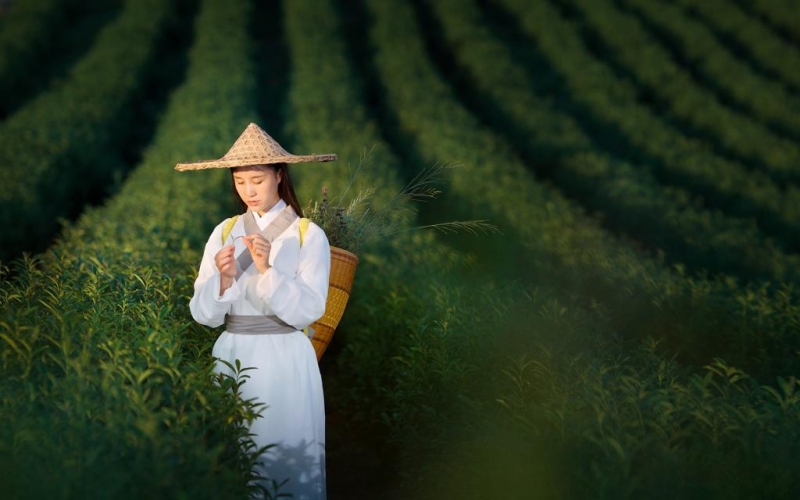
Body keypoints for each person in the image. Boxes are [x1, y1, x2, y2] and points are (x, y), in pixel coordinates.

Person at [175, 123, 336, 499]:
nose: (248, 190)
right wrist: (223, 280)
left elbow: (310, 310)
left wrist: (267, 271)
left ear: (279, 176)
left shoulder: (307, 235)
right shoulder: (224, 231)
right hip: (233, 353)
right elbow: (204, 314)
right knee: (235, 455)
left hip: (286, 358)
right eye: (240, 181)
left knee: (284, 455)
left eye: (257, 180)